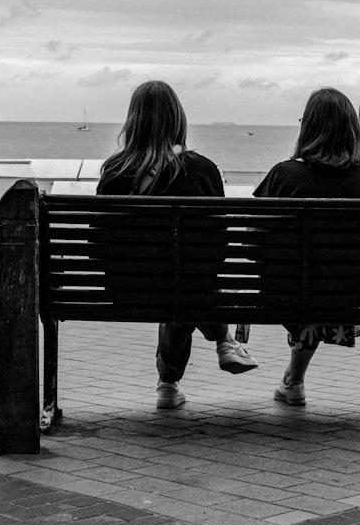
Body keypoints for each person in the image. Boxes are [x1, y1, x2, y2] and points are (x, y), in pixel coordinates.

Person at [97, 80, 257, 408]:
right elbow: (220, 245)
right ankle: (221, 342)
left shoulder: (114, 171)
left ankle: (168, 385)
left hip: (126, 290)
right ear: (178, 119)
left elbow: (96, 243)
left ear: (133, 121)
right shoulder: (202, 170)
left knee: (177, 284)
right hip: (191, 287)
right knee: (185, 283)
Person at [254, 87, 360, 406]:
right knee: (319, 290)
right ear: (352, 129)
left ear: (308, 128)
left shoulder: (284, 175)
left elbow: (253, 241)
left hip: (288, 293)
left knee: (304, 289)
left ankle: (294, 380)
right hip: (350, 294)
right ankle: (294, 380)